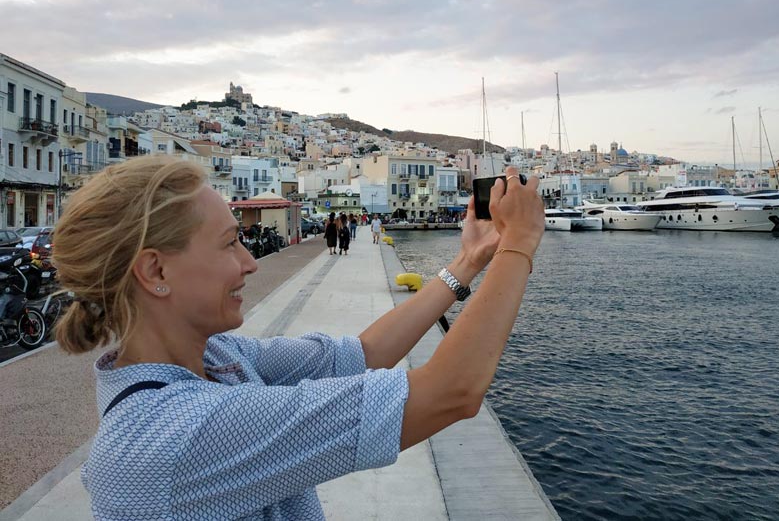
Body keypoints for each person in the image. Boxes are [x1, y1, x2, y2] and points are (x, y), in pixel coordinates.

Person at [51, 157, 544, 520]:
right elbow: (450, 393)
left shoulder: (214, 356)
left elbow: (364, 355)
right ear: (155, 270)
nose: (249, 262)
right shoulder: (172, 436)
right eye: (230, 242)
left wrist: (470, 261)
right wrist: (518, 245)